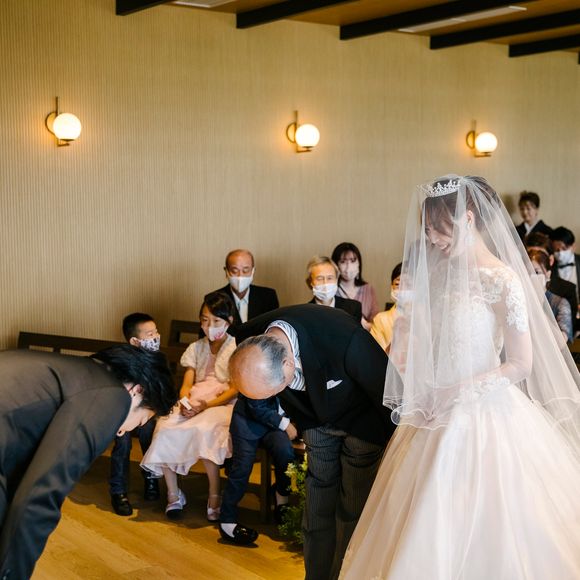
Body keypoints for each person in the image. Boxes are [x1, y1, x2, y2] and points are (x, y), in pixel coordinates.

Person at [340, 175, 580, 579]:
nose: (431, 239)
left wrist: (457, 391)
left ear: (468, 219)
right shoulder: (439, 274)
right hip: (433, 412)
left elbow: (520, 363)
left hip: (486, 413)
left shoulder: (502, 279)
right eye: (428, 230)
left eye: (438, 228)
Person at [228, 304, 395, 580]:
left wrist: (393, 442)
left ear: (288, 364)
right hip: (312, 419)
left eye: (274, 391)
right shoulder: (249, 338)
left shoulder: (345, 339)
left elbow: (387, 391)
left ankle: (344, 575)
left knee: (352, 508)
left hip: (361, 422)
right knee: (317, 505)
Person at [0, 345, 176, 580]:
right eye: (144, 419)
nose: (127, 431)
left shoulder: (79, 372)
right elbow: (42, 494)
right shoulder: (111, 395)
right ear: (137, 391)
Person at [141, 292, 237, 521]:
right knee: (164, 428)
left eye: (216, 321)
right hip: (196, 399)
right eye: (204, 320)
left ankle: (215, 494)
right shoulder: (196, 347)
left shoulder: (237, 347)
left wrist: (205, 406)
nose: (209, 326)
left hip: (223, 402)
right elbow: (186, 385)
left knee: (205, 430)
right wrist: (186, 403)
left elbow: (236, 388)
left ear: (229, 321)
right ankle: (174, 494)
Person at [109, 312, 161, 516]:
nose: (156, 337)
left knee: (149, 433)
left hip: (148, 411)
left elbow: (159, 394)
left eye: (156, 332)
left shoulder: (157, 361)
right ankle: (118, 491)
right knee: (122, 443)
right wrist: (125, 419)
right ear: (134, 341)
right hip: (123, 412)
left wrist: (147, 413)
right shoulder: (121, 362)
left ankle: (151, 478)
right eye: (150, 334)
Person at [208, 249, 279, 331]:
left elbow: (274, 329)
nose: (240, 276)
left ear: (253, 271)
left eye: (245, 270)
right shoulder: (214, 299)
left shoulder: (268, 296)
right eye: (234, 271)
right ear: (226, 271)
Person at [528, 248, 573, 343]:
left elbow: (561, 342)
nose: (530, 277)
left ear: (548, 274)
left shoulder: (560, 303)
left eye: (536, 272)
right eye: (527, 272)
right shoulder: (517, 299)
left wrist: (538, 305)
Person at [332, 242, 379, 330]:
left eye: (353, 261)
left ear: (359, 263)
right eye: (343, 262)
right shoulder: (331, 290)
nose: (348, 266)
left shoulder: (368, 289)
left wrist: (365, 325)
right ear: (336, 265)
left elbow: (377, 323)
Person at [306, 255, 362, 320]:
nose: (325, 283)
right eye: (319, 278)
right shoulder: (304, 313)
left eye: (330, 278)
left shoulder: (353, 308)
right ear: (311, 282)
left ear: (336, 280)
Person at [550, 226, 580, 334]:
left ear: (573, 246)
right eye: (557, 250)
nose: (560, 253)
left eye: (564, 248)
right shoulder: (549, 267)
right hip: (559, 322)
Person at [370, 262, 402, 353]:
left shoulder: (425, 318)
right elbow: (375, 354)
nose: (402, 289)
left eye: (408, 284)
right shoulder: (380, 319)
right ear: (391, 286)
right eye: (397, 284)